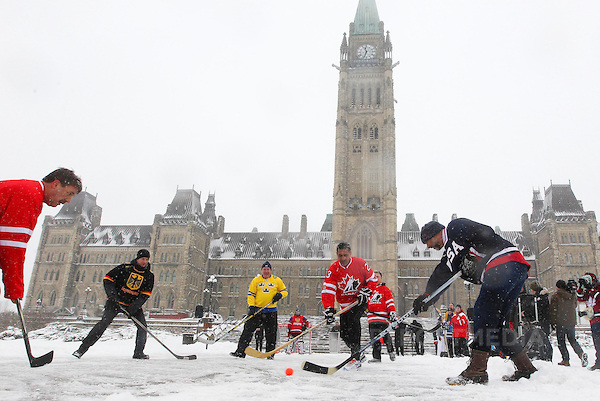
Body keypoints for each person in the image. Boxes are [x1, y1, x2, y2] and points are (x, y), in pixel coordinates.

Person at [413, 218, 536, 385]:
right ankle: (525, 367)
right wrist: (427, 297)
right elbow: (442, 274)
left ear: (435, 233)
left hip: (502, 262)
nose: (428, 246)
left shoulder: (454, 228)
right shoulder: (451, 253)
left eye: (427, 241)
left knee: (482, 314)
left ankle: (477, 370)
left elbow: (485, 231)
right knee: (496, 325)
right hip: (516, 269)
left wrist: (470, 252)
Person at [0, 168, 82, 302]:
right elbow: (12, 246)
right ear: (55, 184)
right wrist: (14, 289)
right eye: (69, 193)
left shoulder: (29, 191)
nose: (68, 200)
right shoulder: (28, 195)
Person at [73, 249, 155, 359]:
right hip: (115, 303)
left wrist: (134, 307)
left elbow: (145, 294)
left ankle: (138, 352)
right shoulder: (124, 268)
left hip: (132, 305)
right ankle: (81, 349)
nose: (144, 262)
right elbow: (108, 279)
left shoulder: (149, 276)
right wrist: (112, 296)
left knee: (142, 327)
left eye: (146, 259)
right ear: (137, 259)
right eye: (142, 259)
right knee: (103, 324)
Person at [322, 242, 378, 367]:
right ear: (337, 254)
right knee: (344, 333)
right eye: (340, 255)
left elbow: (373, 280)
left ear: (350, 254)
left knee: (353, 322)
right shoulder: (333, 269)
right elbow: (328, 290)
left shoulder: (360, 263)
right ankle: (358, 353)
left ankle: (355, 355)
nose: (343, 258)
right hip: (344, 305)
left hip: (359, 301)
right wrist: (329, 309)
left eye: (345, 255)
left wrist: (367, 291)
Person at [230, 261, 287, 359]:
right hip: (257, 311)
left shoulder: (277, 280)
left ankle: (270, 354)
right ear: (261, 270)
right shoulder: (256, 280)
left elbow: (285, 291)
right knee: (247, 331)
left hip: (271, 311)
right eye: (264, 269)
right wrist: (251, 306)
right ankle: (240, 351)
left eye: (268, 269)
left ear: (270, 270)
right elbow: (251, 294)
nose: (266, 271)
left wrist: (280, 295)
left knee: (271, 334)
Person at [550, 280, 588, 367]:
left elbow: (553, 310)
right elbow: (575, 305)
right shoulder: (572, 295)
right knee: (572, 340)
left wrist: (552, 322)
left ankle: (565, 359)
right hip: (571, 321)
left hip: (560, 322)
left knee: (561, 341)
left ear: (558, 287)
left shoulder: (556, 296)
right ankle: (581, 354)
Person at [366, 271, 397, 362]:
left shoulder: (385, 289)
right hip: (371, 319)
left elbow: (389, 302)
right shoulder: (368, 290)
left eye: (377, 276)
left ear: (381, 278)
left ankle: (391, 351)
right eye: (374, 277)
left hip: (382, 318)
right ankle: (376, 357)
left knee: (386, 336)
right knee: (374, 339)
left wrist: (391, 312)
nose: (376, 278)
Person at [576, 272, 600, 370]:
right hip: (594, 321)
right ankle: (598, 362)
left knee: (598, 342)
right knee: (597, 343)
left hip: (598, 320)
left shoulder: (597, 291)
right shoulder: (589, 293)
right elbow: (580, 298)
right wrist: (581, 286)